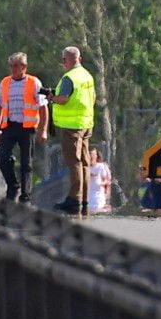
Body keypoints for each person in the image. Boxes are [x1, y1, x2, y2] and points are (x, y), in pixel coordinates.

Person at [0, 52, 49, 202]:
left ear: (24, 66)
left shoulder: (34, 82)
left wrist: (43, 130)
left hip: (27, 128)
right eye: (11, 66)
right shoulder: (5, 83)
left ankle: (26, 195)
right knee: (2, 157)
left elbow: (43, 107)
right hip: (9, 126)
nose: (13, 69)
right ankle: (13, 185)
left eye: (16, 66)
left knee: (26, 163)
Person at [50, 46, 96, 216]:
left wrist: (52, 98)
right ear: (80, 59)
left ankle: (74, 199)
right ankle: (84, 199)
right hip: (86, 123)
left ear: (65, 60)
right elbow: (93, 98)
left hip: (72, 127)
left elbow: (63, 99)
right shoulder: (87, 76)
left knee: (74, 162)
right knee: (84, 162)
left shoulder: (69, 77)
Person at [87, 148, 112, 213]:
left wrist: (101, 183)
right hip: (87, 197)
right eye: (89, 154)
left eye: (92, 155)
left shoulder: (101, 166)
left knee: (96, 211)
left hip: (97, 196)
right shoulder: (85, 168)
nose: (90, 157)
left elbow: (107, 181)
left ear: (96, 156)